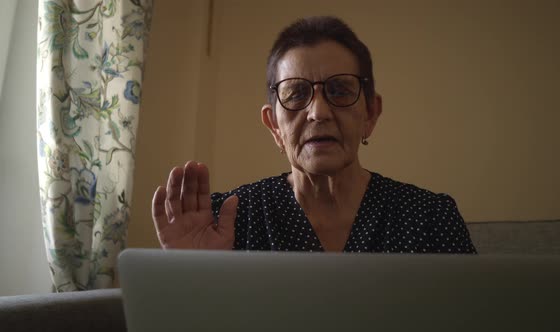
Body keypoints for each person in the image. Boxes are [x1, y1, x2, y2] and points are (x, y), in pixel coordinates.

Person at [151, 16, 477, 254]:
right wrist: (190, 276)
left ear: (370, 114)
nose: (318, 112)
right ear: (274, 126)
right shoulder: (224, 222)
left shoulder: (430, 218)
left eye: (340, 90)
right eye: (295, 94)